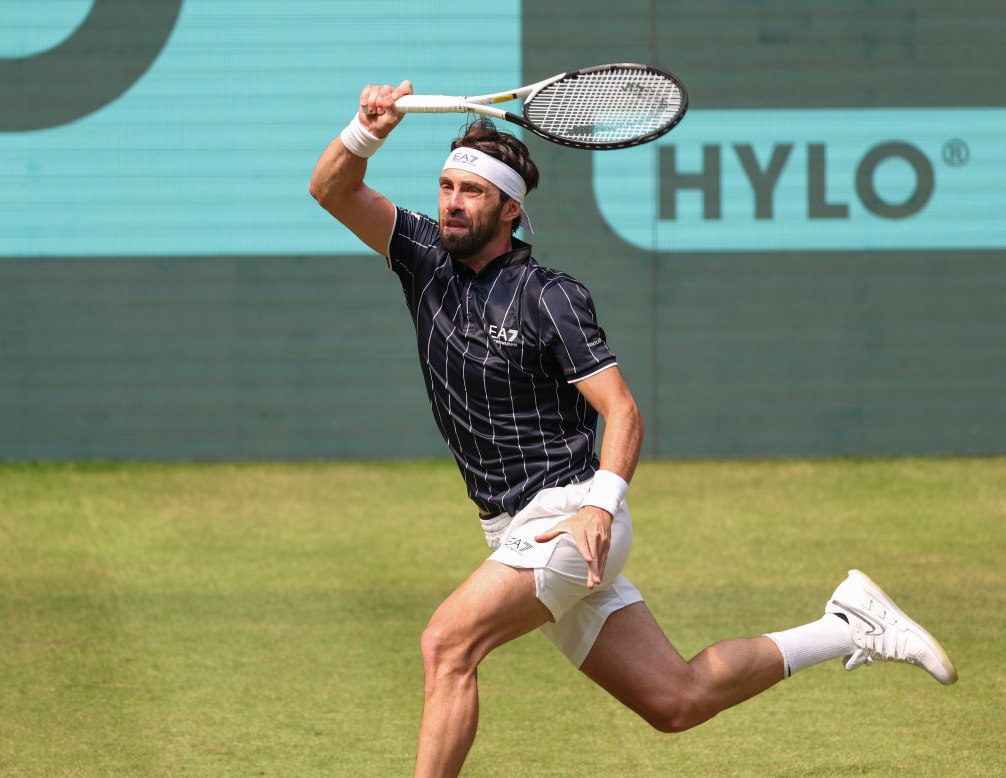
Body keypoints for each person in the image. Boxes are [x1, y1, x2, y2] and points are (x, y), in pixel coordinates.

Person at [309, 80, 957, 778]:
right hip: (512, 527)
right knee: (676, 699)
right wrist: (366, 129)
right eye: (445, 187)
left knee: (447, 645)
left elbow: (623, 412)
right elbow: (333, 190)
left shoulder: (548, 296)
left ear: (510, 210)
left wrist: (600, 505)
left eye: (471, 192)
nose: (452, 203)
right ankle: (847, 626)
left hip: (569, 516)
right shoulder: (423, 259)